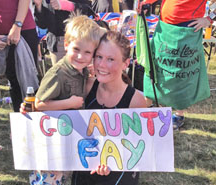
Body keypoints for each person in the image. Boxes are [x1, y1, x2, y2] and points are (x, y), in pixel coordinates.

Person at [21, 15, 106, 185]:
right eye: (76, 49)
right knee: (48, 179)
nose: (81, 56)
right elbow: (39, 104)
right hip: (50, 140)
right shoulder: (58, 73)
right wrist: (69, 103)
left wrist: (90, 78)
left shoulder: (80, 71)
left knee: (62, 176)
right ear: (66, 45)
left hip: (66, 137)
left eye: (87, 52)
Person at [72, 31, 147, 185]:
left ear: (126, 63)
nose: (102, 65)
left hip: (119, 176)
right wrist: (30, 114)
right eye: (99, 56)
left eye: (111, 59)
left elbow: (140, 147)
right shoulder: (87, 87)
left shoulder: (136, 100)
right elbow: (61, 118)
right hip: (84, 170)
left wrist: (112, 161)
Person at [141, 0, 214, 129]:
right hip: (164, 27)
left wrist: (209, 19)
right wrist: (146, 3)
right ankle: (150, 108)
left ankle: (179, 114)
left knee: (182, 74)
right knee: (157, 67)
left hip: (187, 30)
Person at [0, 0, 39, 112]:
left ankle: (35, 124)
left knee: (30, 83)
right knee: (13, 83)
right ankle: (20, 125)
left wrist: (17, 25)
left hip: (24, 31)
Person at [33, 0, 93, 66]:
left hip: (80, 39)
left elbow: (89, 11)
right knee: (61, 75)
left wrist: (68, 5)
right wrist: (38, 7)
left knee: (85, 74)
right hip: (58, 43)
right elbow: (43, 25)